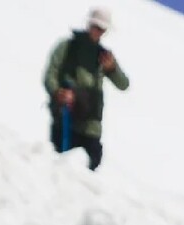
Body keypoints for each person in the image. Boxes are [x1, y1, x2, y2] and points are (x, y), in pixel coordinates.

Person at [43, 7, 129, 171]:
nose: (99, 32)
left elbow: (123, 85)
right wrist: (57, 92)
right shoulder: (67, 46)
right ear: (89, 24)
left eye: (102, 29)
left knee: (90, 172)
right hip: (66, 119)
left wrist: (112, 69)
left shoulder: (104, 57)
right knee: (59, 169)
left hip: (91, 127)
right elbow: (50, 75)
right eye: (96, 27)